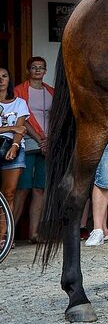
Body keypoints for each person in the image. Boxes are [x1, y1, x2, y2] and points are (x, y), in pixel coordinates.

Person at [13, 57, 53, 242]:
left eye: (41, 68)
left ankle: (34, 233)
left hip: (47, 145)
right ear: (28, 70)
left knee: (40, 189)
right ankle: (8, 235)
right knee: (22, 188)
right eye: (34, 68)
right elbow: (23, 118)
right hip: (28, 142)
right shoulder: (19, 90)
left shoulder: (51, 91)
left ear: (45, 71)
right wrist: (40, 139)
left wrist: (48, 141)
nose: (37, 70)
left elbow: (56, 117)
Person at [0, 67, 28, 247]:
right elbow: (15, 128)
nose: (1, 80)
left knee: (8, 194)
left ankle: (2, 236)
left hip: (13, 148)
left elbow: (22, 128)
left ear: (9, 80)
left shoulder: (20, 103)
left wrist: (15, 145)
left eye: (4, 76)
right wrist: (10, 128)